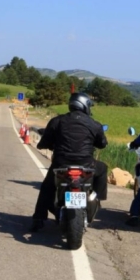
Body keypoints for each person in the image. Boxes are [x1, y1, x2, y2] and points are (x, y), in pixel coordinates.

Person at [30, 92, 108, 232]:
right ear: (85, 105)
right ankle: (96, 197)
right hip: (86, 164)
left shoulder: (57, 121)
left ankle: (38, 218)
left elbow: (44, 142)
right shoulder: (94, 124)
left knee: (47, 187)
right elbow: (102, 144)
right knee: (103, 168)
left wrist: (45, 145)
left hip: (61, 164)